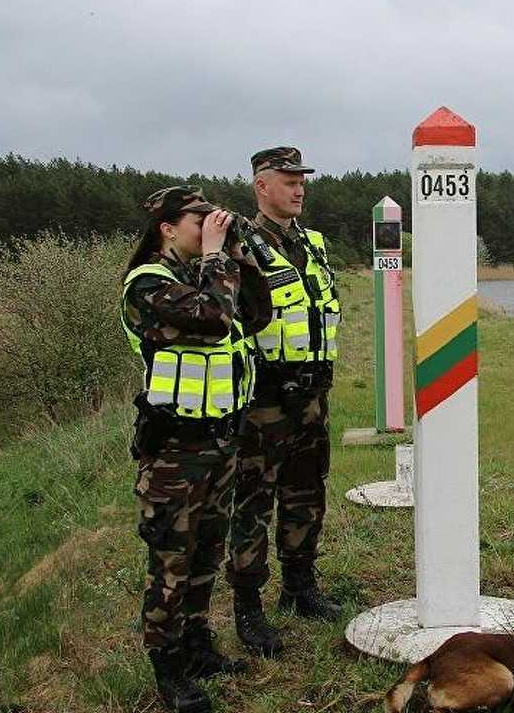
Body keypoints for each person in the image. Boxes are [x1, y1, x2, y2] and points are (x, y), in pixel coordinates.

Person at [121, 186, 271, 712]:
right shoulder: (147, 285)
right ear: (167, 227)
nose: (209, 225)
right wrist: (213, 257)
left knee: (207, 551)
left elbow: (255, 315)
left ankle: (197, 646)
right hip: (173, 455)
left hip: (219, 442)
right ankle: (169, 673)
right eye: (198, 219)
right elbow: (211, 317)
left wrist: (236, 256)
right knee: (171, 563)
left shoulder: (206, 274)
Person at [226, 147, 343, 657]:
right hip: (264, 400)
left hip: (313, 394)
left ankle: (300, 588)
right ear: (261, 186)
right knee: (254, 501)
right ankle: (249, 609)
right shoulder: (240, 246)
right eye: (288, 179)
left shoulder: (311, 244)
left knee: (306, 492)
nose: (298, 188)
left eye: (302, 180)